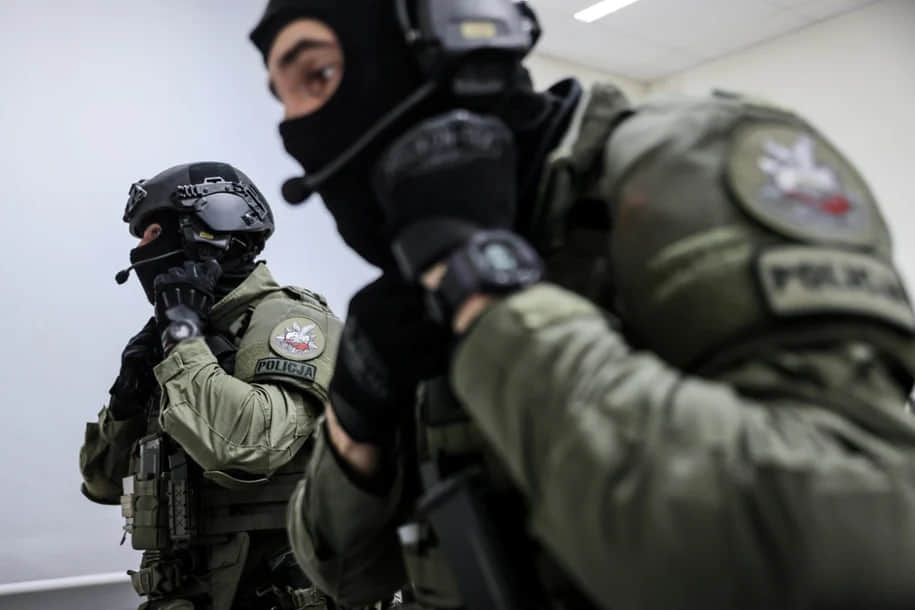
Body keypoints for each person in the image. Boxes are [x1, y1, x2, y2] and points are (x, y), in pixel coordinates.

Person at [251, 2, 915, 609]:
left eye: (319, 75)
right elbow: (347, 578)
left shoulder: (684, 164)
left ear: (446, 33)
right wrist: (356, 422)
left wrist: (485, 293)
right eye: (282, 99)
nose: (296, 129)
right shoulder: (413, 277)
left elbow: (851, 545)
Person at [79, 161, 341, 610]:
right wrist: (126, 399)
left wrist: (183, 336)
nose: (140, 251)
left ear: (211, 230)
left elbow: (251, 442)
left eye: (153, 233)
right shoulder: (173, 342)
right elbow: (102, 484)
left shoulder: (289, 319)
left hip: (271, 594)